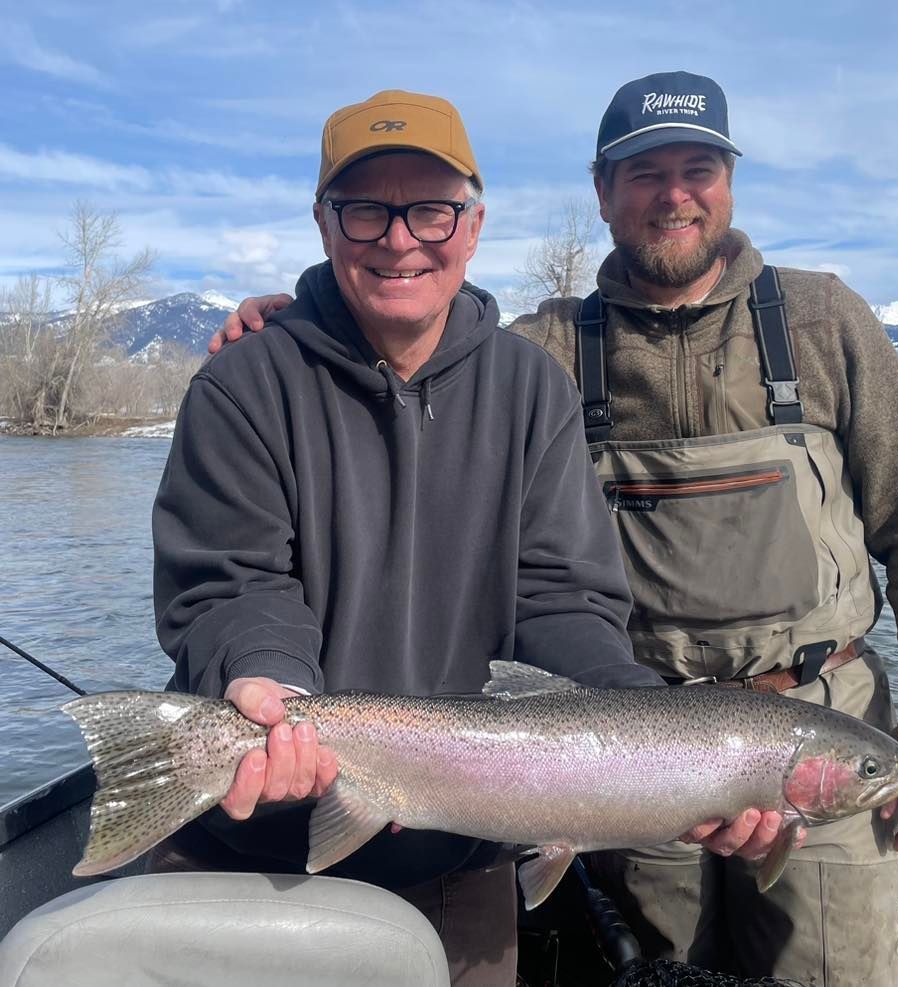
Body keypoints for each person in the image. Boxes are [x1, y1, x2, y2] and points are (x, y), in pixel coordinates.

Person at [217, 71, 898, 986]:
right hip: (621, 734)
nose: (673, 195)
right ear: (602, 193)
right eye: (643, 173)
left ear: (728, 180)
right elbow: (416, 307)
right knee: (658, 968)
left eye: (696, 167)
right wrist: (301, 313)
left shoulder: (825, 320)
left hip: (820, 717)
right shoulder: (552, 347)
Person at [152, 88, 663, 987]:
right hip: (247, 846)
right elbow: (232, 586)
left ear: (472, 225)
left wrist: (650, 724)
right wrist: (271, 690)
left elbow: (562, 599)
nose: (398, 239)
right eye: (365, 211)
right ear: (322, 223)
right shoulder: (243, 384)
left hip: (458, 861)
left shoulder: (531, 389)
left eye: (429, 208)